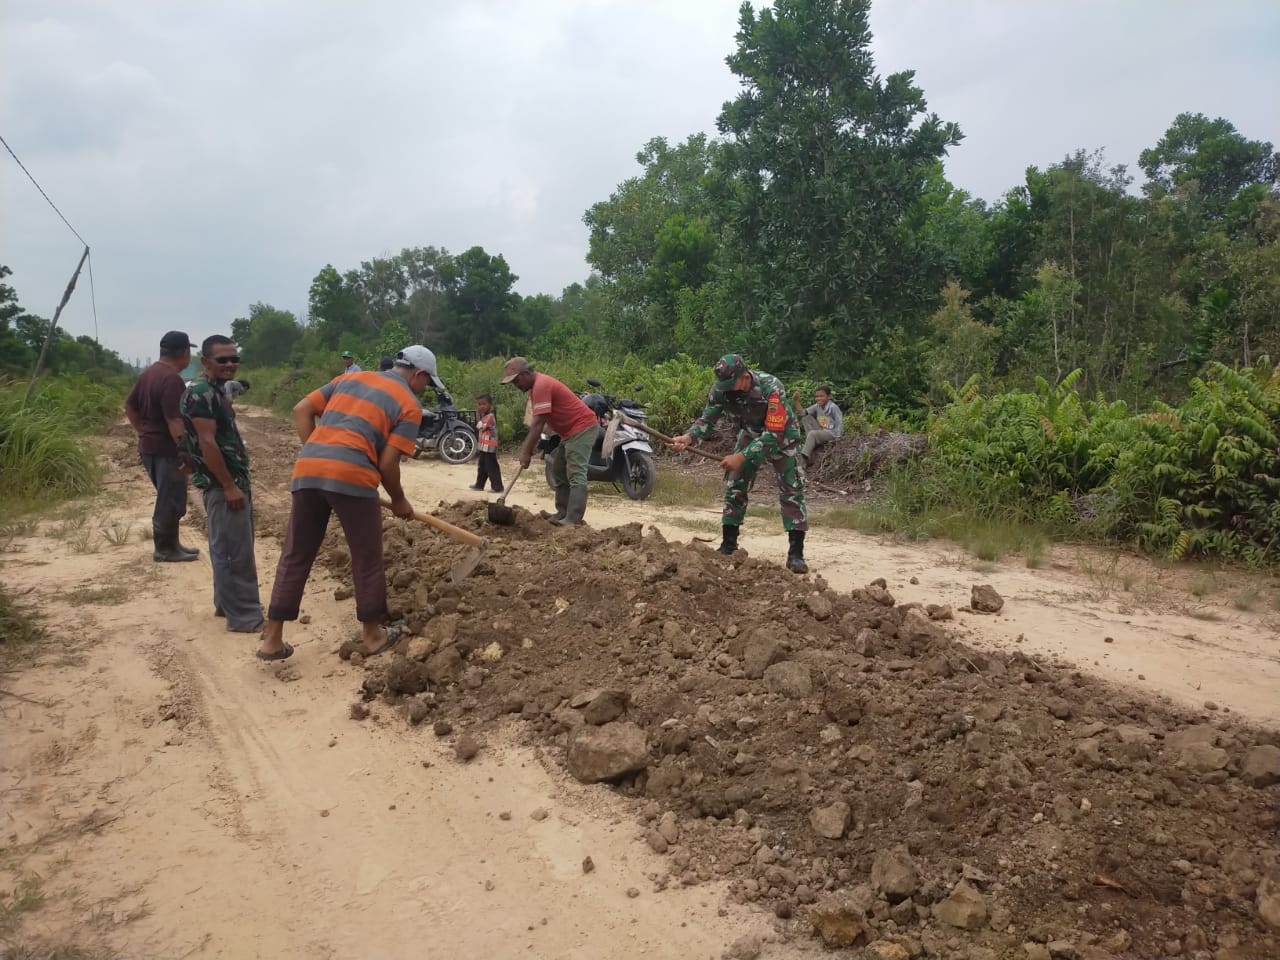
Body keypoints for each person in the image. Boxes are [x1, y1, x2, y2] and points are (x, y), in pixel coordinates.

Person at [256, 346, 430, 662]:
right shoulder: (409, 405)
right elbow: (388, 464)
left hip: (308, 469)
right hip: (354, 475)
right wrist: (399, 500)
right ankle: (373, 636)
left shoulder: (349, 379)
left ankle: (272, 640)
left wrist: (320, 455)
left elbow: (301, 409)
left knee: (296, 554)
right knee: (367, 557)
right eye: (427, 381)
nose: (425, 388)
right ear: (418, 374)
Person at [670, 354, 809, 574]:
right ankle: (728, 546)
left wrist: (741, 457)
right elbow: (707, 419)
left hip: (782, 437)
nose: (726, 390)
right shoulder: (721, 390)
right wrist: (688, 437)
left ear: (744, 377)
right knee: (735, 486)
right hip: (750, 435)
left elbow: (773, 434)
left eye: (730, 384)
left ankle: (796, 555)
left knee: (791, 490)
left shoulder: (771, 387)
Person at [180, 336, 264, 632]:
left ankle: (226, 604)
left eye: (234, 359)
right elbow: (207, 441)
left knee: (233, 545)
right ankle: (244, 617)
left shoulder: (213, 390)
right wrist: (228, 485)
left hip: (231, 479)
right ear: (205, 362)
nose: (230, 364)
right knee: (233, 552)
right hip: (222, 483)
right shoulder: (202, 393)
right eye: (222, 360)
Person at [124, 330, 200, 562]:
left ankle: (172, 544)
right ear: (185, 353)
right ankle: (165, 549)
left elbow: (129, 406)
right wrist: (186, 453)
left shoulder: (149, 373)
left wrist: (144, 432)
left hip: (150, 448)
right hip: (166, 450)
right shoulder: (171, 379)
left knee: (169, 496)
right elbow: (175, 421)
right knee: (170, 500)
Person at [503, 356, 597, 526]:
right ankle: (562, 512)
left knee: (576, 472)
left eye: (516, 381)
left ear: (525, 374)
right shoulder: (535, 388)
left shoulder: (541, 385)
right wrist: (534, 445)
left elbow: (538, 423)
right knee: (558, 469)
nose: (516, 385)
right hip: (568, 432)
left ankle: (573, 519)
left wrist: (525, 452)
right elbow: (542, 421)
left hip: (582, 427)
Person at [796, 386, 843, 464]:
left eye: (821, 396)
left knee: (813, 433)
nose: (818, 398)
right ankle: (812, 443)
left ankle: (804, 458)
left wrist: (838, 438)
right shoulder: (817, 406)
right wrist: (796, 401)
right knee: (806, 418)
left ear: (829, 396)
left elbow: (839, 422)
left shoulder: (833, 407)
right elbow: (803, 413)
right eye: (817, 396)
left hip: (832, 434)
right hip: (822, 432)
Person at [470, 393, 504, 493]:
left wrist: (478, 415)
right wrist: (479, 415)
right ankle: (479, 485)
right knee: (482, 466)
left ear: (490, 405)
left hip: (490, 447)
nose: (481, 406)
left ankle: (498, 487)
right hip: (483, 446)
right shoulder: (484, 416)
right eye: (479, 404)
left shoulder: (490, 417)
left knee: (491, 466)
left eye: (484, 404)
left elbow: (481, 427)